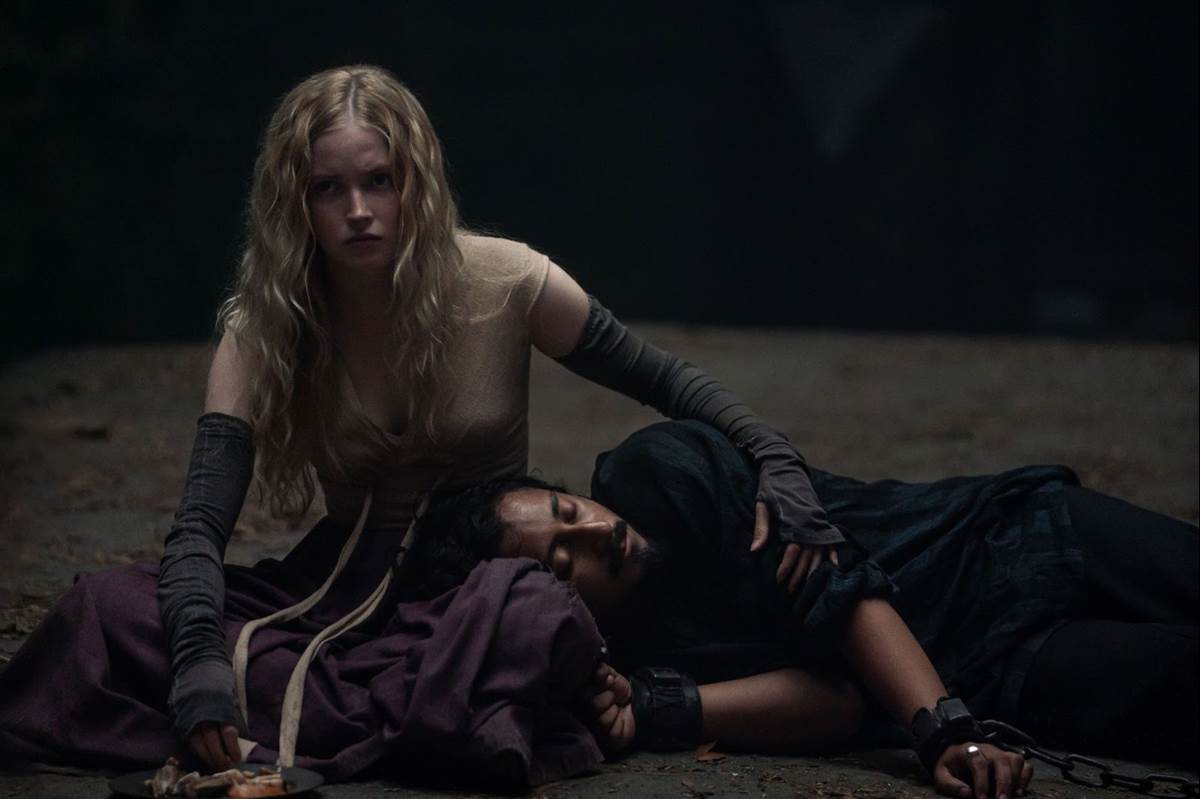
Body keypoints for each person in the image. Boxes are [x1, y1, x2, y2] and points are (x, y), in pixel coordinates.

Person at [0, 65, 841, 786]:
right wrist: (197, 662)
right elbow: (199, 527)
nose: (359, 210)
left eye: (381, 180)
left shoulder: (506, 280)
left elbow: (666, 380)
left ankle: (434, 700)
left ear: (418, 183)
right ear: (296, 203)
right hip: (337, 591)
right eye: (328, 189)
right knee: (105, 608)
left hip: (490, 583)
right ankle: (387, 708)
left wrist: (776, 458)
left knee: (523, 623)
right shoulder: (262, 328)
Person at [400, 419, 1199, 798]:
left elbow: (840, 592)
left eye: (567, 511)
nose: (596, 534)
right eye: (561, 562)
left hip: (1011, 542)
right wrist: (653, 708)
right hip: (1003, 672)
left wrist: (945, 731)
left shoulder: (658, 472)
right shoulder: (621, 663)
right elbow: (836, 701)